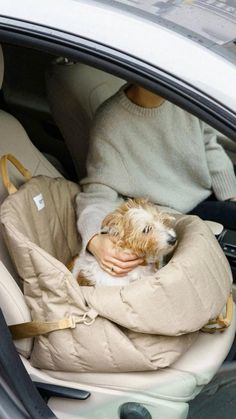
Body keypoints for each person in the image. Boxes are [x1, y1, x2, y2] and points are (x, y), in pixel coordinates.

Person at [76, 84, 236, 277]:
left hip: (205, 188)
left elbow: (209, 145)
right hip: (173, 211)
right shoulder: (110, 121)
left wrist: (231, 193)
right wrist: (94, 239)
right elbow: (97, 191)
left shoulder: (184, 97)